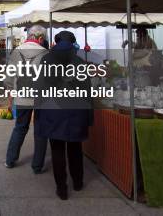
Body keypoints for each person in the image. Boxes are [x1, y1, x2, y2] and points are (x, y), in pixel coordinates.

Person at [35, 31, 93, 200]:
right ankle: (78, 182)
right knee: (75, 147)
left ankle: (61, 188)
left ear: (56, 42)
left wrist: (38, 113)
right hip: (76, 110)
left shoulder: (46, 60)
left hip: (53, 111)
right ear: (73, 43)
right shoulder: (80, 61)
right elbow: (87, 92)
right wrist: (89, 116)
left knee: (57, 149)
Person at [4, 25, 49, 173]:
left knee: (20, 127)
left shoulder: (16, 52)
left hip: (22, 96)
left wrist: (10, 97)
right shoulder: (46, 53)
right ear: (40, 38)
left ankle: (10, 160)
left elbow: (9, 78)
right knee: (41, 131)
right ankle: (37, 166)